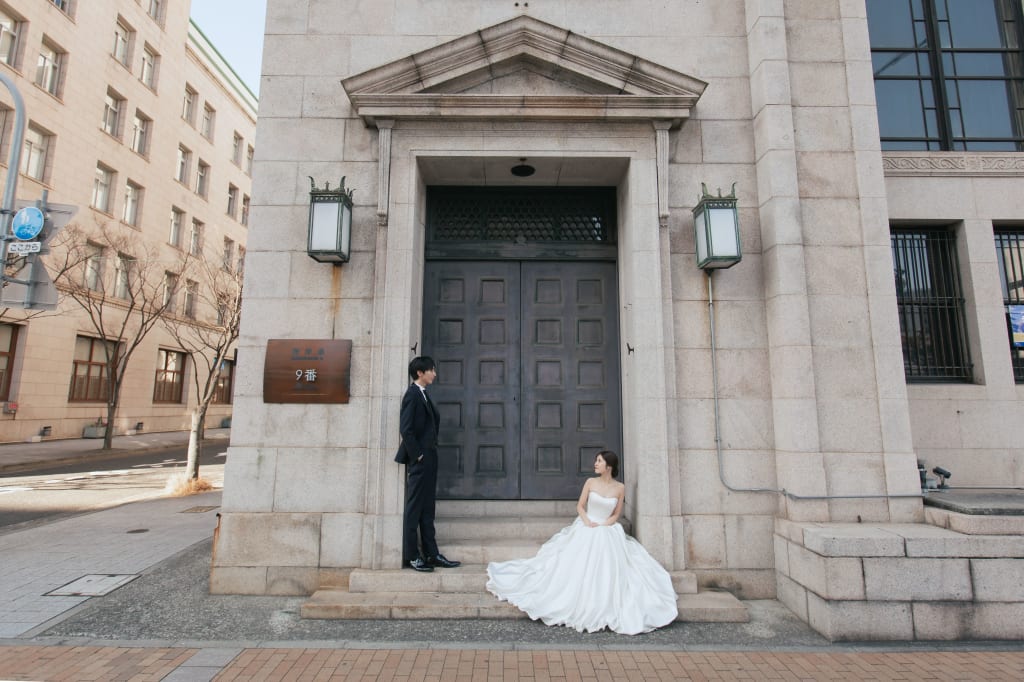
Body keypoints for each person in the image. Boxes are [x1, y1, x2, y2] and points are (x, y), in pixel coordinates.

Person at [486, 450, 677, 634]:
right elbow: (580, 506)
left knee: (610, 559)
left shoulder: (620, 488)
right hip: (587, 524)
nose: (595, 463)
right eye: (596, 460)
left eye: (599, 461)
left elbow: (617, 513)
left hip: (607, 528)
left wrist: (606, 525)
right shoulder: (590, 482)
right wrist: (587, 522)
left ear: (609, 466)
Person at [394, 356, 460, 572]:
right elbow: (406, 429)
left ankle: (432, 554)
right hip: (420, 459)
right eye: (431, 370)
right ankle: (413, 555)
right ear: (420, 373)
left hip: (430, 457)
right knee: (414, 508)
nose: (435, 374)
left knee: (427, 508)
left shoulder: (423, 394)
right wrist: (418, 455)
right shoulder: (412, 395)